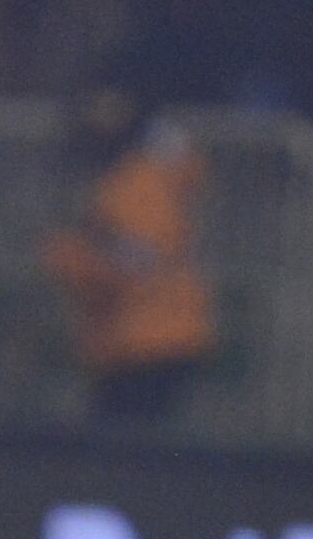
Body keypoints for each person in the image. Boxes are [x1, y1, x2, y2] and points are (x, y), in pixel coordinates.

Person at [42, 104, 221, 429]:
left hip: (145, 342)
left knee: (128, 453)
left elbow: (133, 264)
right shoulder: (139, 181)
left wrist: (67, 256)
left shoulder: (132, 187)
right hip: (146, 339)